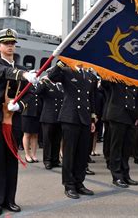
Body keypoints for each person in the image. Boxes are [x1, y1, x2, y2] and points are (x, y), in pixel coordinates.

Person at [0, 28, 38, 216]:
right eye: (6, 43)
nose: (10, 46)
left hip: (13, 121)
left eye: (12, 43)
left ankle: (10, 199)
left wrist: (21, 105)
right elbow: (2, 71)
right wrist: (23, 75)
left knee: (11, 162)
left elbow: (31, 94)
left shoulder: (20, 68)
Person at [48, 60, 96, 200]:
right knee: (69, 153)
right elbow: (52, 76)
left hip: (85, 118)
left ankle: (79, 183)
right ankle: (69, 185)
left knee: (82, 153)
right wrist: (62, 62)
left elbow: (90, 98)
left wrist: (93, 118)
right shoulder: (66, 71)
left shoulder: (90, 76)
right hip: (70, 117)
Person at [103, 81, 138, 187]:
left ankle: (125, 175)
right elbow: (104, 83)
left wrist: (137, 116)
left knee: (127, 149)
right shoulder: (115, 78)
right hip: (118, 115)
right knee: (117, 147)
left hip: (131, 117)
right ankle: (117, 176)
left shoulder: (135, 81)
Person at [35, 76, 64, 169]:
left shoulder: (60, 86)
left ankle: (55, 160)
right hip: (48, 117)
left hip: (59, 117)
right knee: (48, 140)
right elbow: (37, 92)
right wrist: (42, 81)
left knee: (57, 140)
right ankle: (47, 160)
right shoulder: (45, 85)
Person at [21, 85, 42, 163]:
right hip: (27, 112)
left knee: (35, 135)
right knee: (27, 134)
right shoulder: (26, 84)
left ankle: (33, 154)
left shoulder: (40, 85)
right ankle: (27, 154)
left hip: (37, 112)